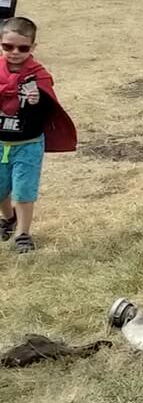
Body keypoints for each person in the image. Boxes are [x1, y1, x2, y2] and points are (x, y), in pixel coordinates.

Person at [0, 17, 79, 254]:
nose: (15, 52)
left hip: (28, 143)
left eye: (22, 48)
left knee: (24, 190)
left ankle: (23, 234)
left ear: (33, 47)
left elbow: (50, 110)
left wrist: (38, 101)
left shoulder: (38, 75)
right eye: (8, 46)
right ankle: (8, 219)